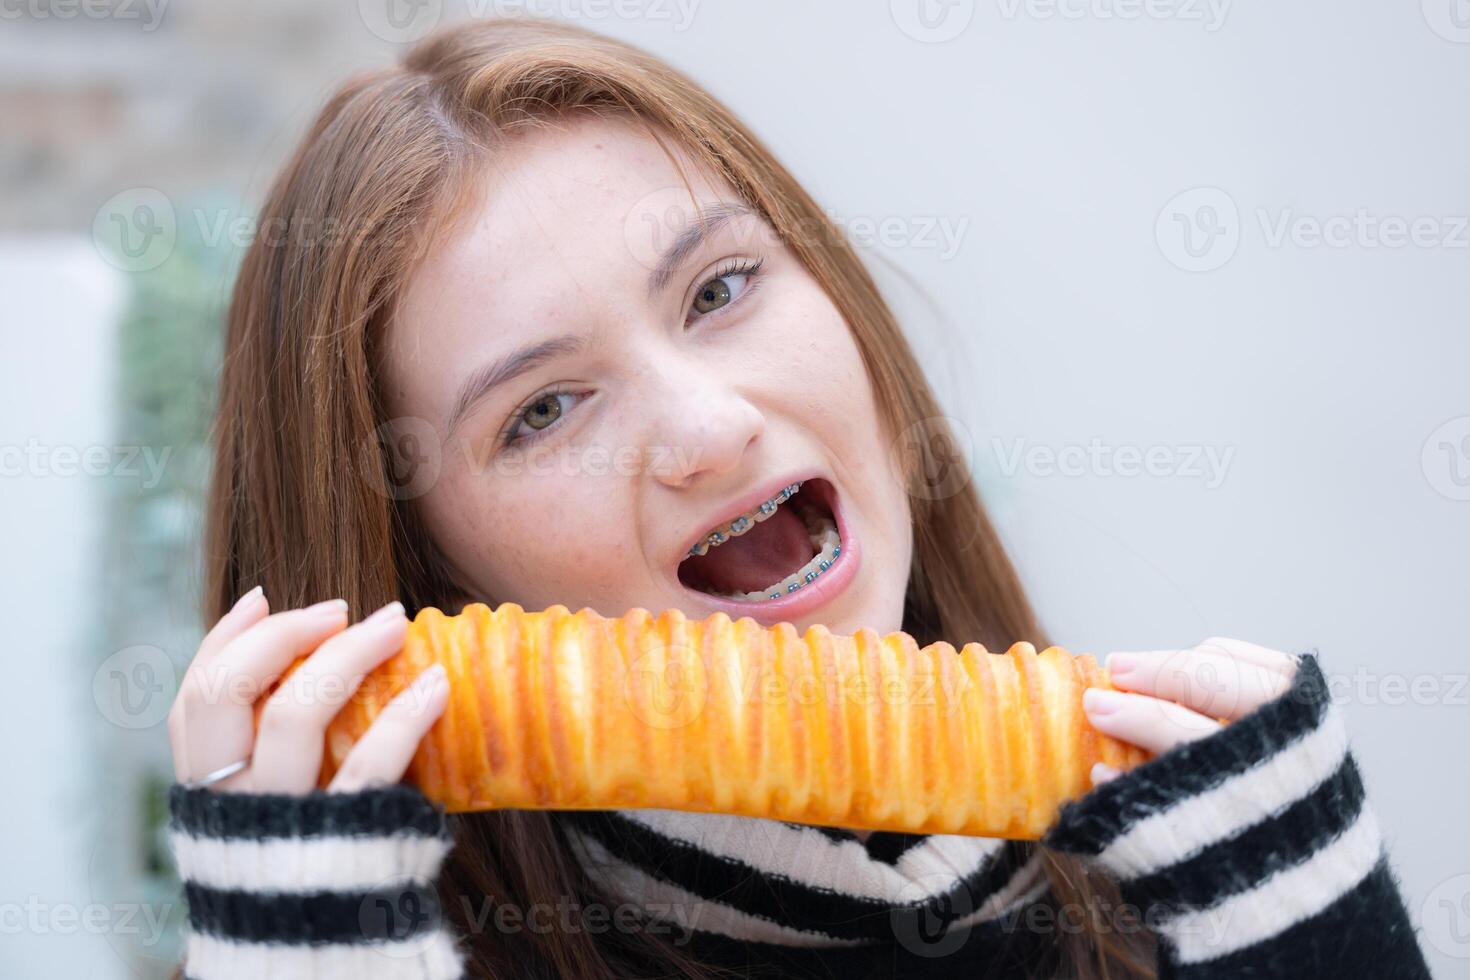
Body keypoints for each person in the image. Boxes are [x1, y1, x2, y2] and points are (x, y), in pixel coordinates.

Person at [164, 17, 1431, 980]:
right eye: (542, 409)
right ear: (430, 576)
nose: (711, 427)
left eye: (719, 289)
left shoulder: (1199, 869)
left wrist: (1318, 930)